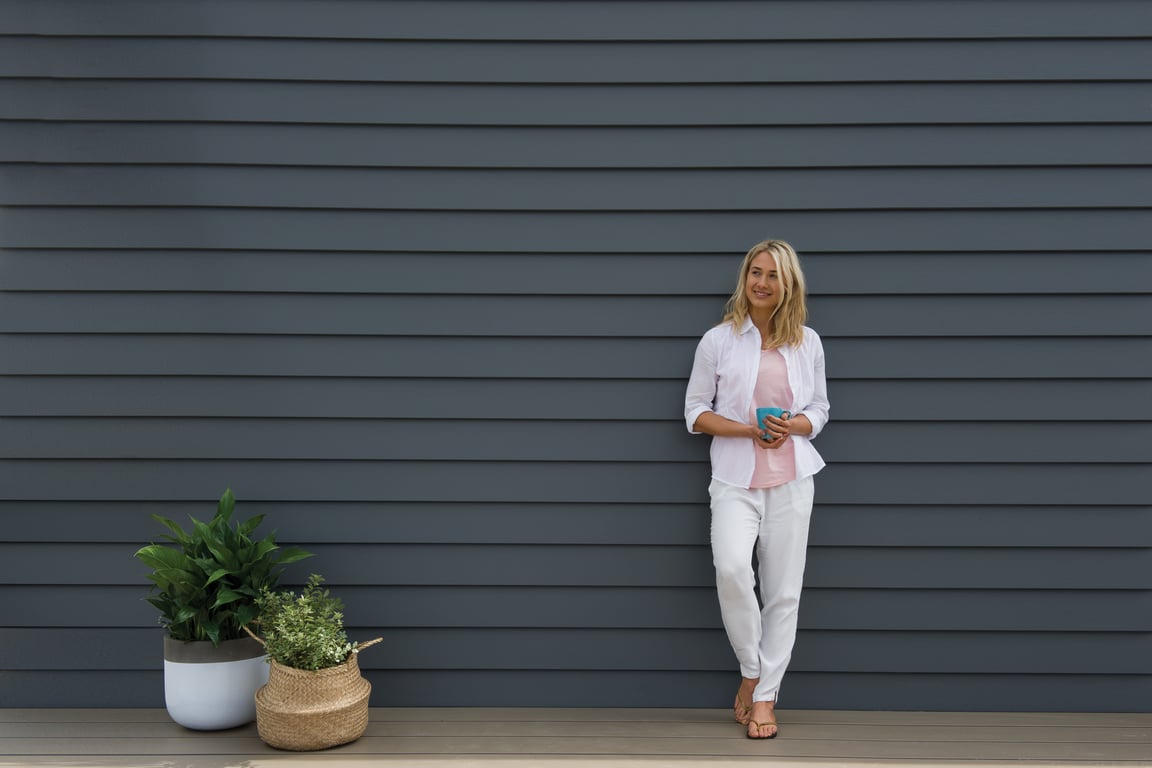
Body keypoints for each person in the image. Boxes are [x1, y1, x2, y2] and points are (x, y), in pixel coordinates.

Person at [684, 239, 830, 740]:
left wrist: (796, 425)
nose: (762, 283)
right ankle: (752, 668)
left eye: (773, 275)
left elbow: (820, 411)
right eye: (755, 273)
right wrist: (748, 430)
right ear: (745, 278)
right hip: (734, 478)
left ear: (788, 284)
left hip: (792, 477)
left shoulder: (807, 341)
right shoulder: (718, 340)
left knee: (784, 593)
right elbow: (695, 412)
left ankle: (765, 697)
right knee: (730, 570)